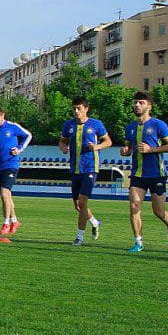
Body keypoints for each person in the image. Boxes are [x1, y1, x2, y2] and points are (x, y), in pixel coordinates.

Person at [120, 91, 168, 253]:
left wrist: (151, 149)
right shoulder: (130, 127)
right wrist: (125, 150)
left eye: (141, 102)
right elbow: (128, 147)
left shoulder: (158, 125)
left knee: (158, 212)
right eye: (136, 102)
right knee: (134, 206)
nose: (137, 105)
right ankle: (138, 242)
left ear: (149, 106)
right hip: (137, 174)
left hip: (156, 175)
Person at [59, 96, 110, 246]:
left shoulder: (96, 124)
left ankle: (79, 237)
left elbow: (108, 141)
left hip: (90, 168)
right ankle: (94, 222)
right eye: (74, 108)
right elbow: (62, 141)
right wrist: (63, 147)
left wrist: (97, 147)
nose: (76, 111)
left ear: (86, 109)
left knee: (82, 202)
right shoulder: (68, 125)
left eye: (79, 108)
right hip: (75, 169)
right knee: (78, 206)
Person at [0, 106, 32, 235]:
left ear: (3, 115)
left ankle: (5, 223)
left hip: (11, 164)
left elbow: (28, 135)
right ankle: (14, 221)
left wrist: (19, 149)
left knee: (4, 194)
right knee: (7, 198)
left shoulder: (12, 127)